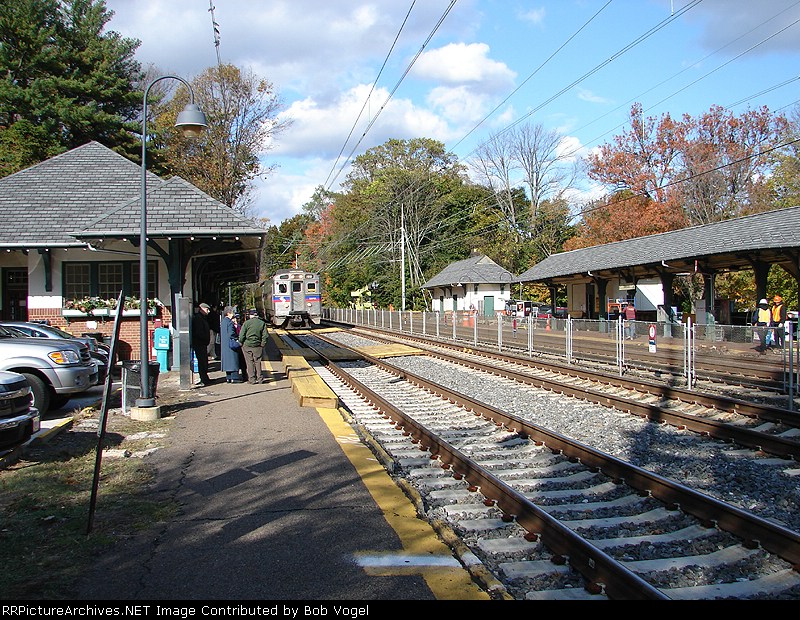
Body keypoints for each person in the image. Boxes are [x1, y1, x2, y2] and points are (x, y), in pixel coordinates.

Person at [239, 308, 268, 384]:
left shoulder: (246, 323)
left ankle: (252, 379)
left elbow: (242, 335)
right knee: (258, 362)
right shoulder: (262, 323)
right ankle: (260, 378)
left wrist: (241, 342)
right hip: (257, 345)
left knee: (249, 362)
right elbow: (265, 335)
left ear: (250, 315)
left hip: (247, 345)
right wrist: (262, 344)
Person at [191, 303, 212, 386]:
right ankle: (203, 378)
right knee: (202, 362)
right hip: (200, 343)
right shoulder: (198, 319)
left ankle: (205, 378)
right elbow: (199, 332)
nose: (208, 311)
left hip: (203, 343)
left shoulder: (202, 318)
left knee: (204, 361)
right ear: (202, 309)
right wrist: (204, 339)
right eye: (207, 309)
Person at [220, 306, 242, 383]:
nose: (233, 314)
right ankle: (234, 378)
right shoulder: (229, 322)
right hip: (231, 344)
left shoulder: (223, 322)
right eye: (232, 312)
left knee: (227, 362)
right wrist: (236, 337)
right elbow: (231, 333)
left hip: (224, 345)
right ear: (229, 313)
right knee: (233, 360)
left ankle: (228, 378)